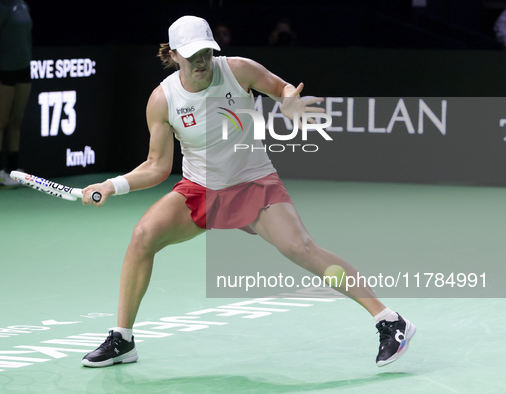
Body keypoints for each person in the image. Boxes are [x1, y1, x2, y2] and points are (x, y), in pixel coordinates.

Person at [80, 15, 416, 368]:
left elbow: (282, 87)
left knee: (299, 247)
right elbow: (157, 166)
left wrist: (287, 100)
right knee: (142, 236)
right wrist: (111, 185)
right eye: (192, 54)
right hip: (200, 188)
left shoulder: (238, 70)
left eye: (206, 52)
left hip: (254, 183)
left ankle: (390, 321)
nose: (201, 61)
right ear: (175, 54)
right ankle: (123, 339)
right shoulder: (163, 100)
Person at [0, 0, 32, 187]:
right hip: (3, 69)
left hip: (23, 69)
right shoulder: (0, 9)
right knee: (0, 120)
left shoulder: (23, 6)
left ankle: (14, 171)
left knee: (16, 120)